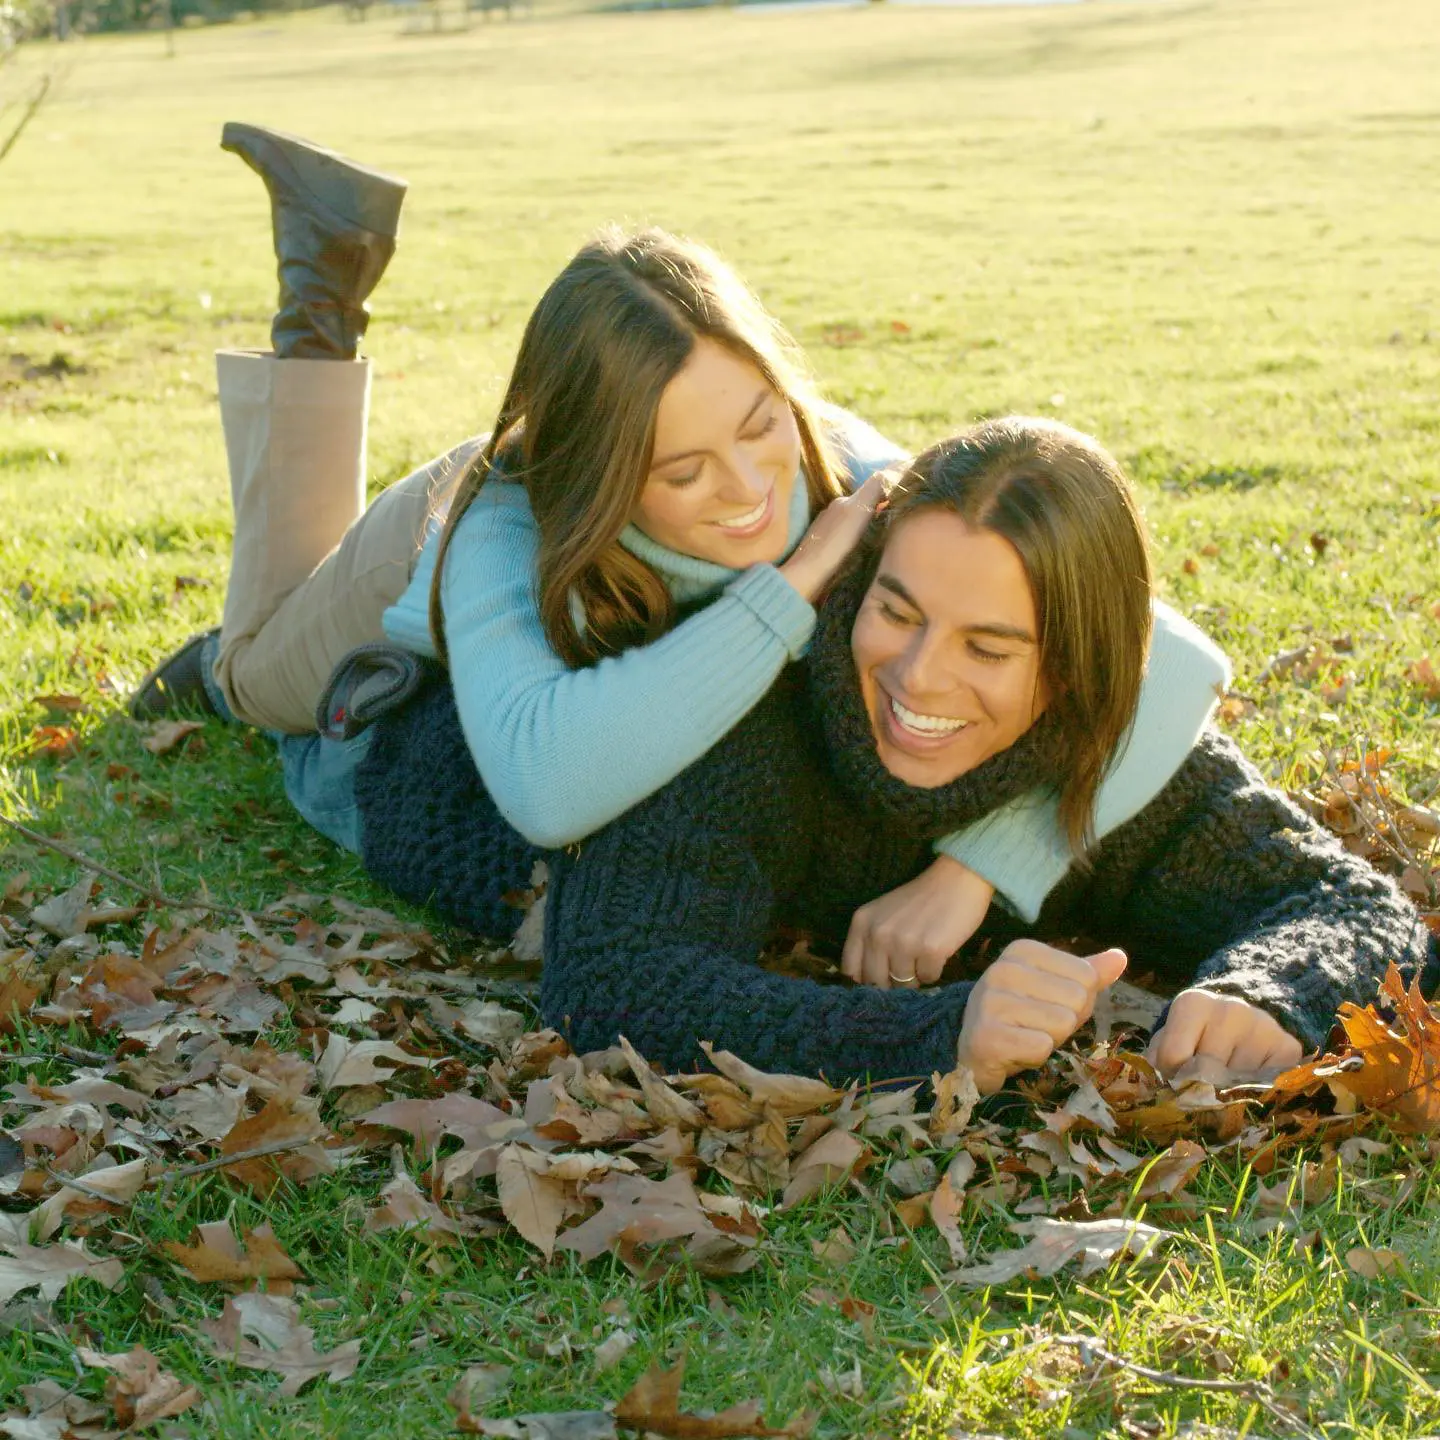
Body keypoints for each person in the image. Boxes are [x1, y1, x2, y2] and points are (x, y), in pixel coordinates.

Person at [132, 125, 1229, 978]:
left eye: (755, 425)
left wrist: (980, 870)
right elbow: (549, 786)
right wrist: (792, 584)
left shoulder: (833, 457)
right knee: (251, 670)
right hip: (419, 555)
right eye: (683, 471)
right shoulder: (506, 520)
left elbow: (1174, 658)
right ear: (611, 473)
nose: (754, 493)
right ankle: (318, 303)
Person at [353, 417, 1438, 1089]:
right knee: (266, 659)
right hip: (402, 671)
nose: (918, 678)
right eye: (896, 611)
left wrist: (1262, 994)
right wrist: (937, 1034)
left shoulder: (1121, 761)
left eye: (990, 646)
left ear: (1076, 670)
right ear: (861, 574)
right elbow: (615, 981)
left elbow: (1349, 904)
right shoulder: (751, 718)